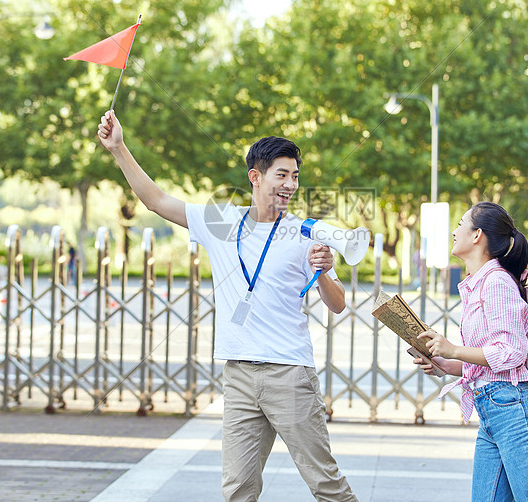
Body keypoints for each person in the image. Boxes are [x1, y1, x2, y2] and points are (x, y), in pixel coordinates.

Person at [97, 110, 357, 502]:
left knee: (325, 483)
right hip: (238, 374)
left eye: (295, 176)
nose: (290, 184)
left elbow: (337, 305)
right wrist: (118, 149)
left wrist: (323, 272)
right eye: (281, 174)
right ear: (256, 176)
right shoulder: (222, 223)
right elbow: (156, 200)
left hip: (289, 373)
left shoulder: (304, 233)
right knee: (237, 489)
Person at [413, 201, 528, 501]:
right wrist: (443, 361)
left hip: (515, 409)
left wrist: (454, 350)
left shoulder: (496, 282)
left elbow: (511, 352)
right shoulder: (478, 284)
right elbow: (488, 361)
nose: (455, 231)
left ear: (477, 235)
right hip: (492, 410)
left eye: (461, 223)